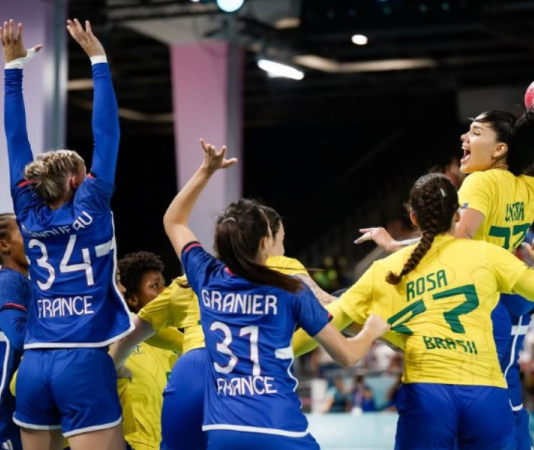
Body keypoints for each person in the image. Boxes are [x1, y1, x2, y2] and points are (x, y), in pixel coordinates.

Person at [356, 94, 534, 450]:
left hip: (485, 299)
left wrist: (394, 247)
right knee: (505, 389)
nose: (465, 138)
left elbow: (456, 239)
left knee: (479, 393)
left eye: (476, 132)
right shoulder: (529, 188)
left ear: (499, 150)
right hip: (514, 297)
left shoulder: (481, 183)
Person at [294, 173, 534, 448]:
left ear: (413, 218)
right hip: (486, 396)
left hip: (427, 397)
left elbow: (324, 322)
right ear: (457, 215)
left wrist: (276, 351)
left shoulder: (385, 269)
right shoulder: (488, 255)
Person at [154, 139, 388, 450]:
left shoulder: (204, 276)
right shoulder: (291, 288)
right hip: (279, 430)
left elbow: (173, 220)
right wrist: (371, 330)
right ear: (265, 243)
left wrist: (206, 171)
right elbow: (347, 355)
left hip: (223, 432)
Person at [109, 200, 338, 450]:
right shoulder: (282, 268)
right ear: (265, 241)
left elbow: (133, 332)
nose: (282, 248)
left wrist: (119, 366)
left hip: (189, 372)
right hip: (243, 386)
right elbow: (329, 309)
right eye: (281, 239)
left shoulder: (193, 278)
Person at [0, 19, 131, 450]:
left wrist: (12, 70)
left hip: (34, 364)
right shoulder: (92, 207)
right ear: (78, 181)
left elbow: (15, 140)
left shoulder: (28, 213)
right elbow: (107, 135)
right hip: (84, 359)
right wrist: (98, 59)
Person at [115, 251, 180, 450]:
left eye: (164, 284)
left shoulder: (177, 339)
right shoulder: (116, 340)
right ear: (133, 299)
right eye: (155, 286)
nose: (165, 291)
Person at [0, 213, 32, 450]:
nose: (33, 235)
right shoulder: (6, 282)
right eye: (24, 231)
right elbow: (19, 336)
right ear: (3, 245)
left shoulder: (28, 283)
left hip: (21, 403)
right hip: (3, 411)